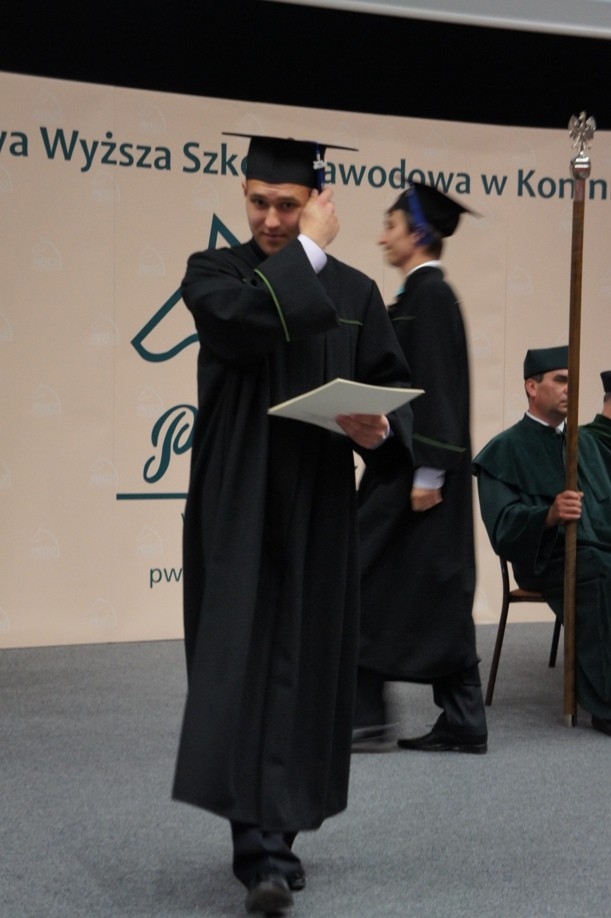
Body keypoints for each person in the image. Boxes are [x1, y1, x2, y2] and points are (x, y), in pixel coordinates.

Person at [173, 133, 414, 916]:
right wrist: (308, 251)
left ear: (315, 198)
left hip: (317, 503)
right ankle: (260, 852)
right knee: (241, 668)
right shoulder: (214, 273)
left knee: (301, 669)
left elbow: (390, 390)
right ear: (242, 196)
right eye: (258, 202)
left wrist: (378, 433)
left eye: (287, 205)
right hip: (237, 500)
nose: (271, 219)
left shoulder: (357, 292)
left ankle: (277, 839)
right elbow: (243, 322)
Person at [354, 183, 488, 755]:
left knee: (369, 580)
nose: (382, 237)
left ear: (418, 233)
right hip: (409, 467)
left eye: (391, 225)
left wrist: (429, 473)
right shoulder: (420, 295)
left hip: (419, 474)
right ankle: (460, 719)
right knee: (427, 593)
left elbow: (436, 388)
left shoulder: (430, 296)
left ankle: (367, 718)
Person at [473, 346, 611, 735]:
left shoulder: (586, 446)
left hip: (596, 548)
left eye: (572, 381)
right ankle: (606, 704)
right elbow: (502, 528)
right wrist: (548, 515)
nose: (569, 389)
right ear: (531, 387)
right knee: (600, 571)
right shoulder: (503, 450)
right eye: (560, 380)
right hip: (546, 559)